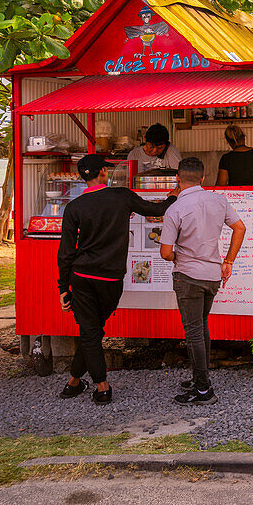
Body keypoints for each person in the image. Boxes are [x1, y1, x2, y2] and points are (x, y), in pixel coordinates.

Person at [57, 154, 179, 404]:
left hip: (81, 276)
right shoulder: (121, 197)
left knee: (90, 331)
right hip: (111, 279)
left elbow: (66, 253)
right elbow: (156, 210)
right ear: (103, 173)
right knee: (92, 331)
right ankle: (98, 385)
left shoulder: (74, 207)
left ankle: (75, 382)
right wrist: (174, 195)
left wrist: (63, 287)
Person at [159, 157, 246, 405]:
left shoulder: (175, 209)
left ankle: (203, 390)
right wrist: (228, 261)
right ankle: (201, 377)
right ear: (203, 178)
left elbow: (165, 253)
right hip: (212, 275)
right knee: (201, 326)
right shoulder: (218, 199)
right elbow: (239, 228)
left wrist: (178, 256)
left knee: (194, 331)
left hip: (188, 276)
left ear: (177, 179)